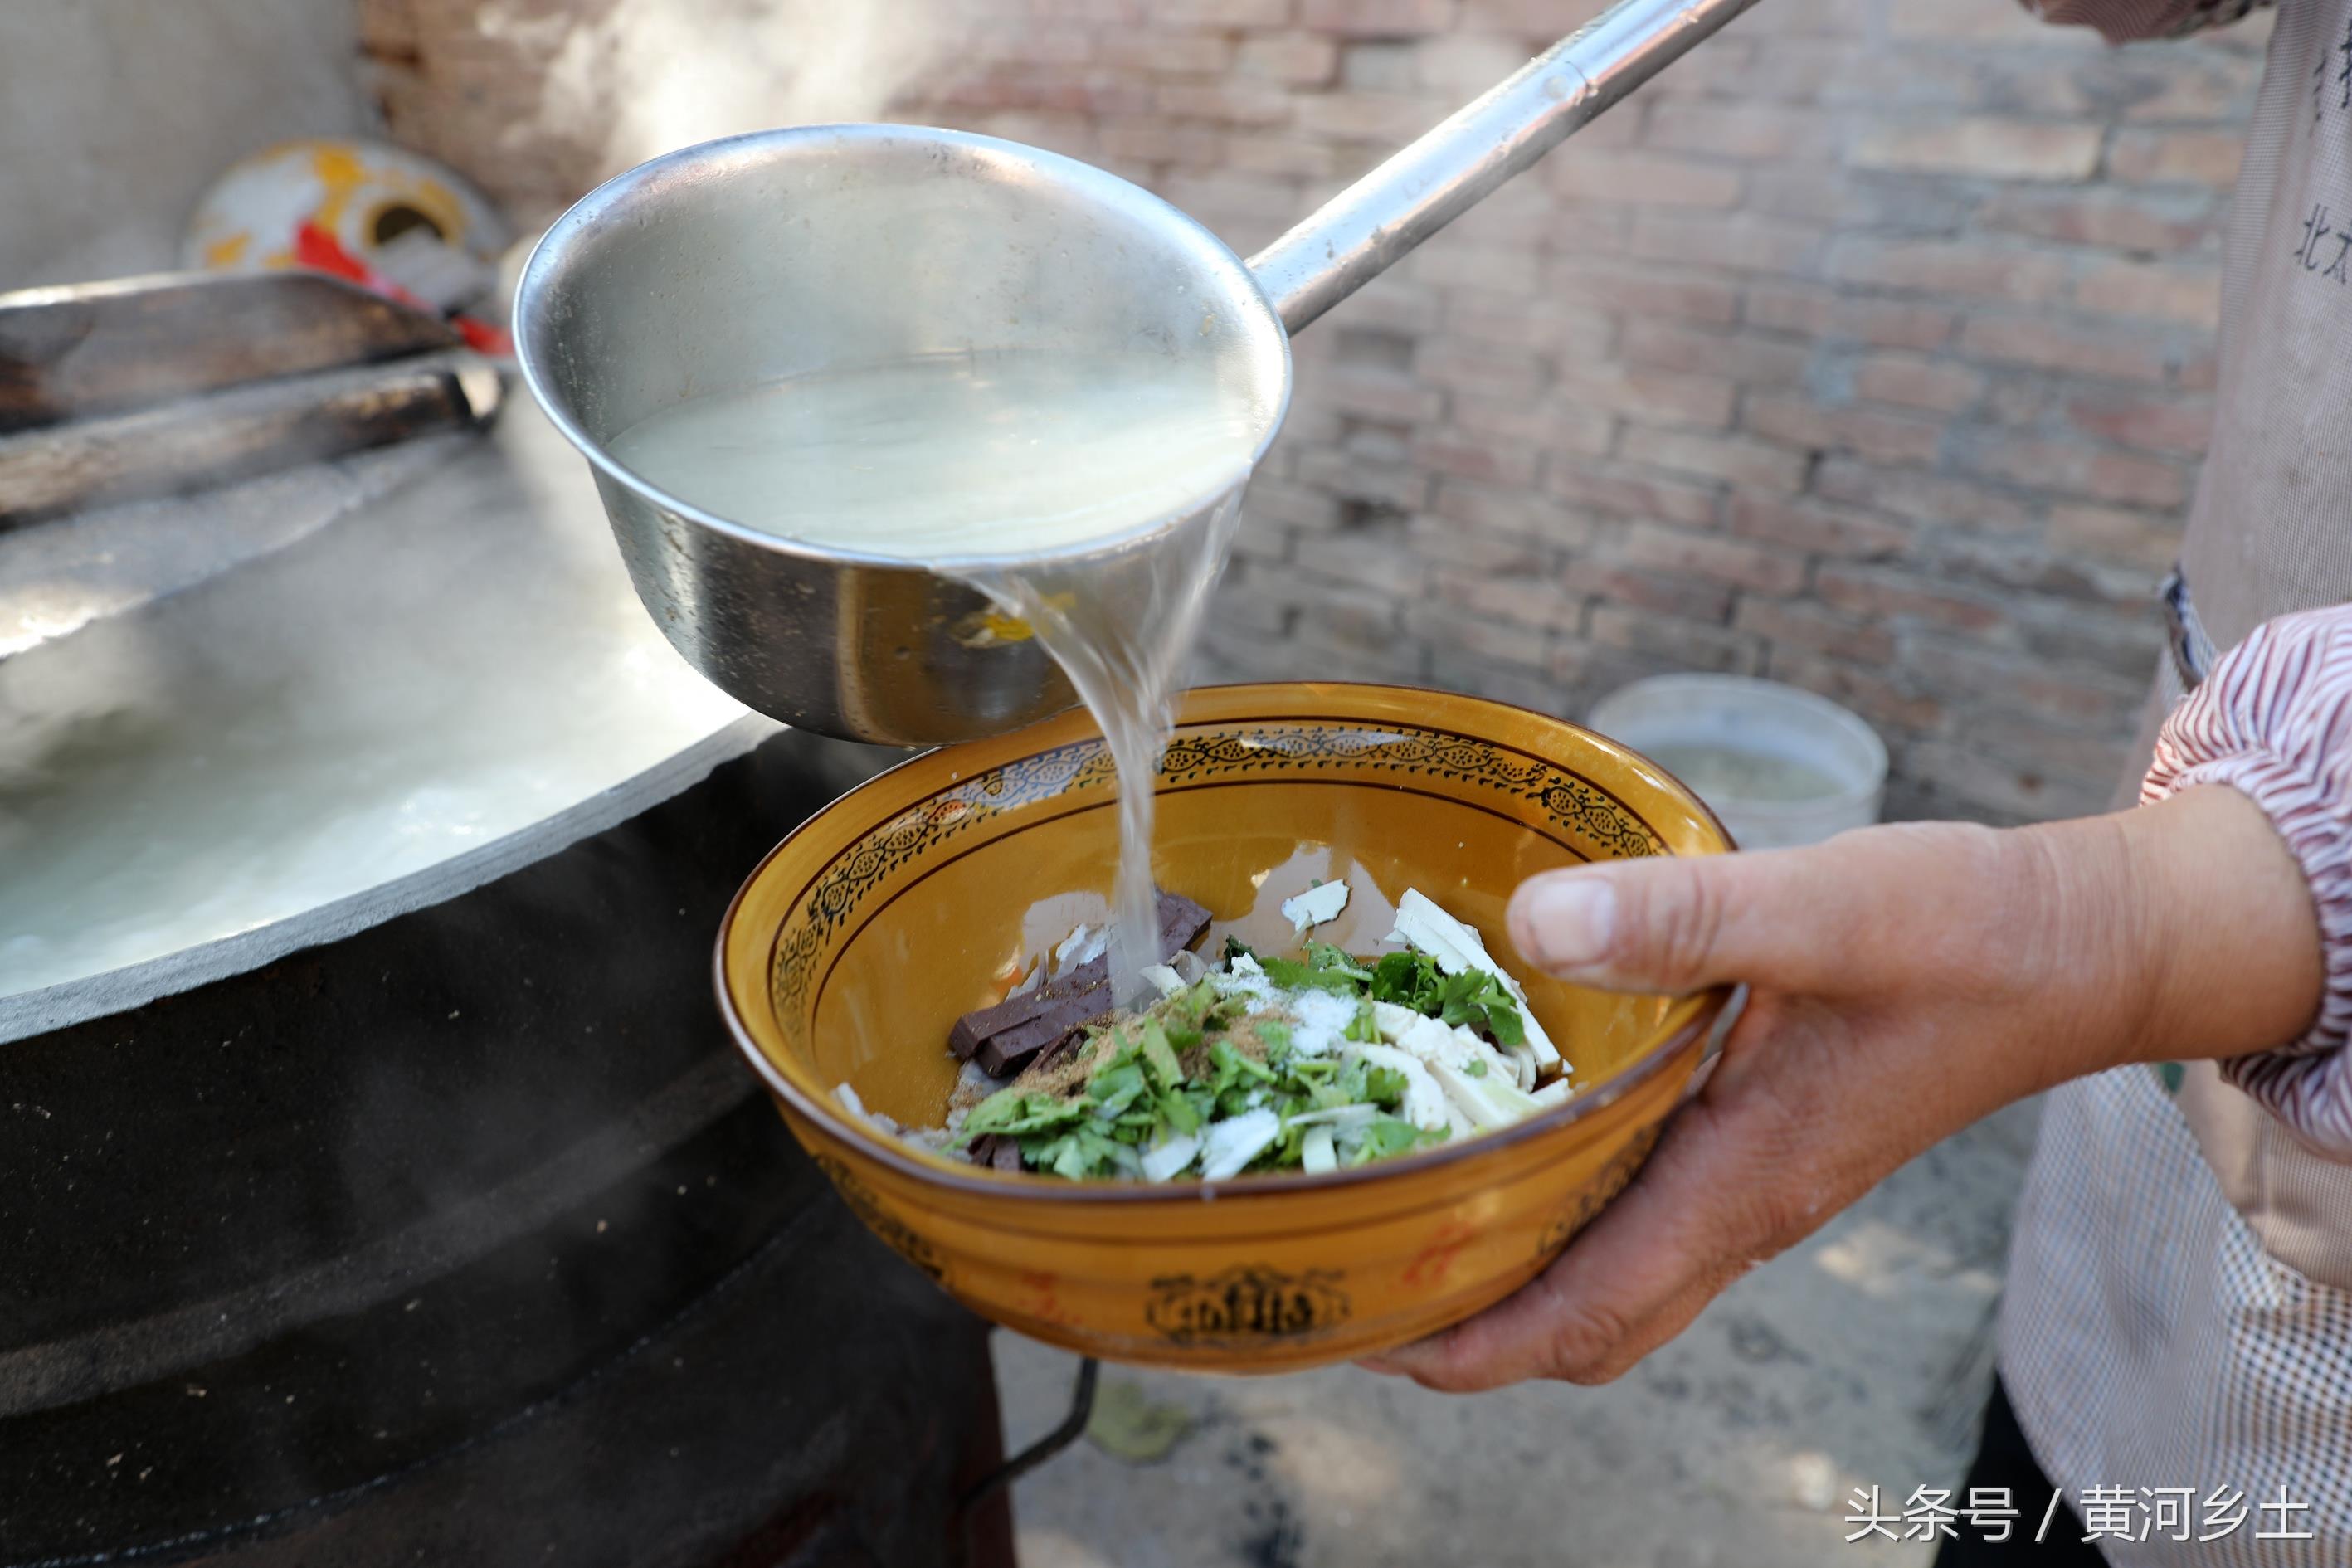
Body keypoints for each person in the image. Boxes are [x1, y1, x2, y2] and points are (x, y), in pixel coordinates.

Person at [1365, 2, 2352, 1563]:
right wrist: (2114, 937)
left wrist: (2097, 931)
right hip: (2191, 850)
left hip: (2221, 916)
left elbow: (2097, 932)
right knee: (2051, 1478)